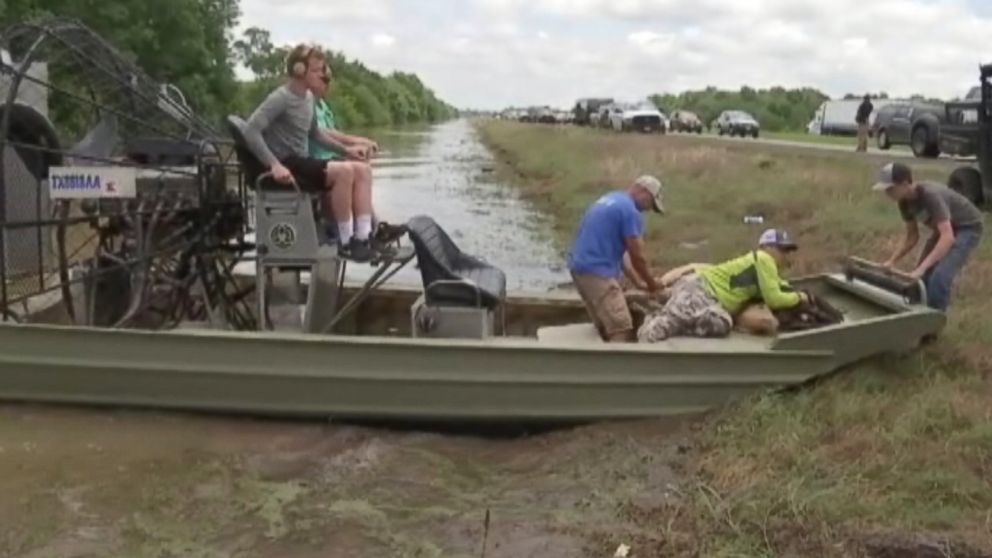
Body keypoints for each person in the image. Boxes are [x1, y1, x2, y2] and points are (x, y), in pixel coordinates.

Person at [243, 43, 377, 262]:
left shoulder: (308, 99)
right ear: (299, 70)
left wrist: (347, 150)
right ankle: (345, 241)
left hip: (302, 161)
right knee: (343, 172)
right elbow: (251, 131)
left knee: (362, 170)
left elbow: (315, 134)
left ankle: (363, 238)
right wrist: (274, 165)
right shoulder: (281, 98)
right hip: (288, 163)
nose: (321, 76)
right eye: (316, 71)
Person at [637, 228, 809, 342]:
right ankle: (650, 323)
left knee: (720, 322)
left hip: (703, 292)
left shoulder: (762, 266)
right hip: (702, 293)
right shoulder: (764, 259)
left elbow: (779, 286)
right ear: (767, 247)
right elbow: (774, 299)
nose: (786, 255)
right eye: (782, 250)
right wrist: (799, 297)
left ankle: (665, 311)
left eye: (788, 251)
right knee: (656, 333)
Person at [873, 162, 983, 312]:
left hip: (967, 228)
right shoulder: (904, 203)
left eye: (890, 189)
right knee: (920, 280)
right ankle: (915, 316)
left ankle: (933, 325)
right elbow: (912, 237)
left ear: (905, 184)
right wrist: (892, 261)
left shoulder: (930, 195)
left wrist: (922, 268)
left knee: (939, 277)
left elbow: (948, 237)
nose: (887, 193)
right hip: (944, 229)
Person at [568, 175, 665, 342]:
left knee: (605, 324)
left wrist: (638, 282)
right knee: (621, 326)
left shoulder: (612, 199)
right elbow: (637, 256)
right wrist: (652, 283)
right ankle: (614, 367)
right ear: (644, 192)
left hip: (580, 268)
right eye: (651, 203)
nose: (649, 209)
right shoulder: (630, 211)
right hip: (597, 272)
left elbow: (622, 254)